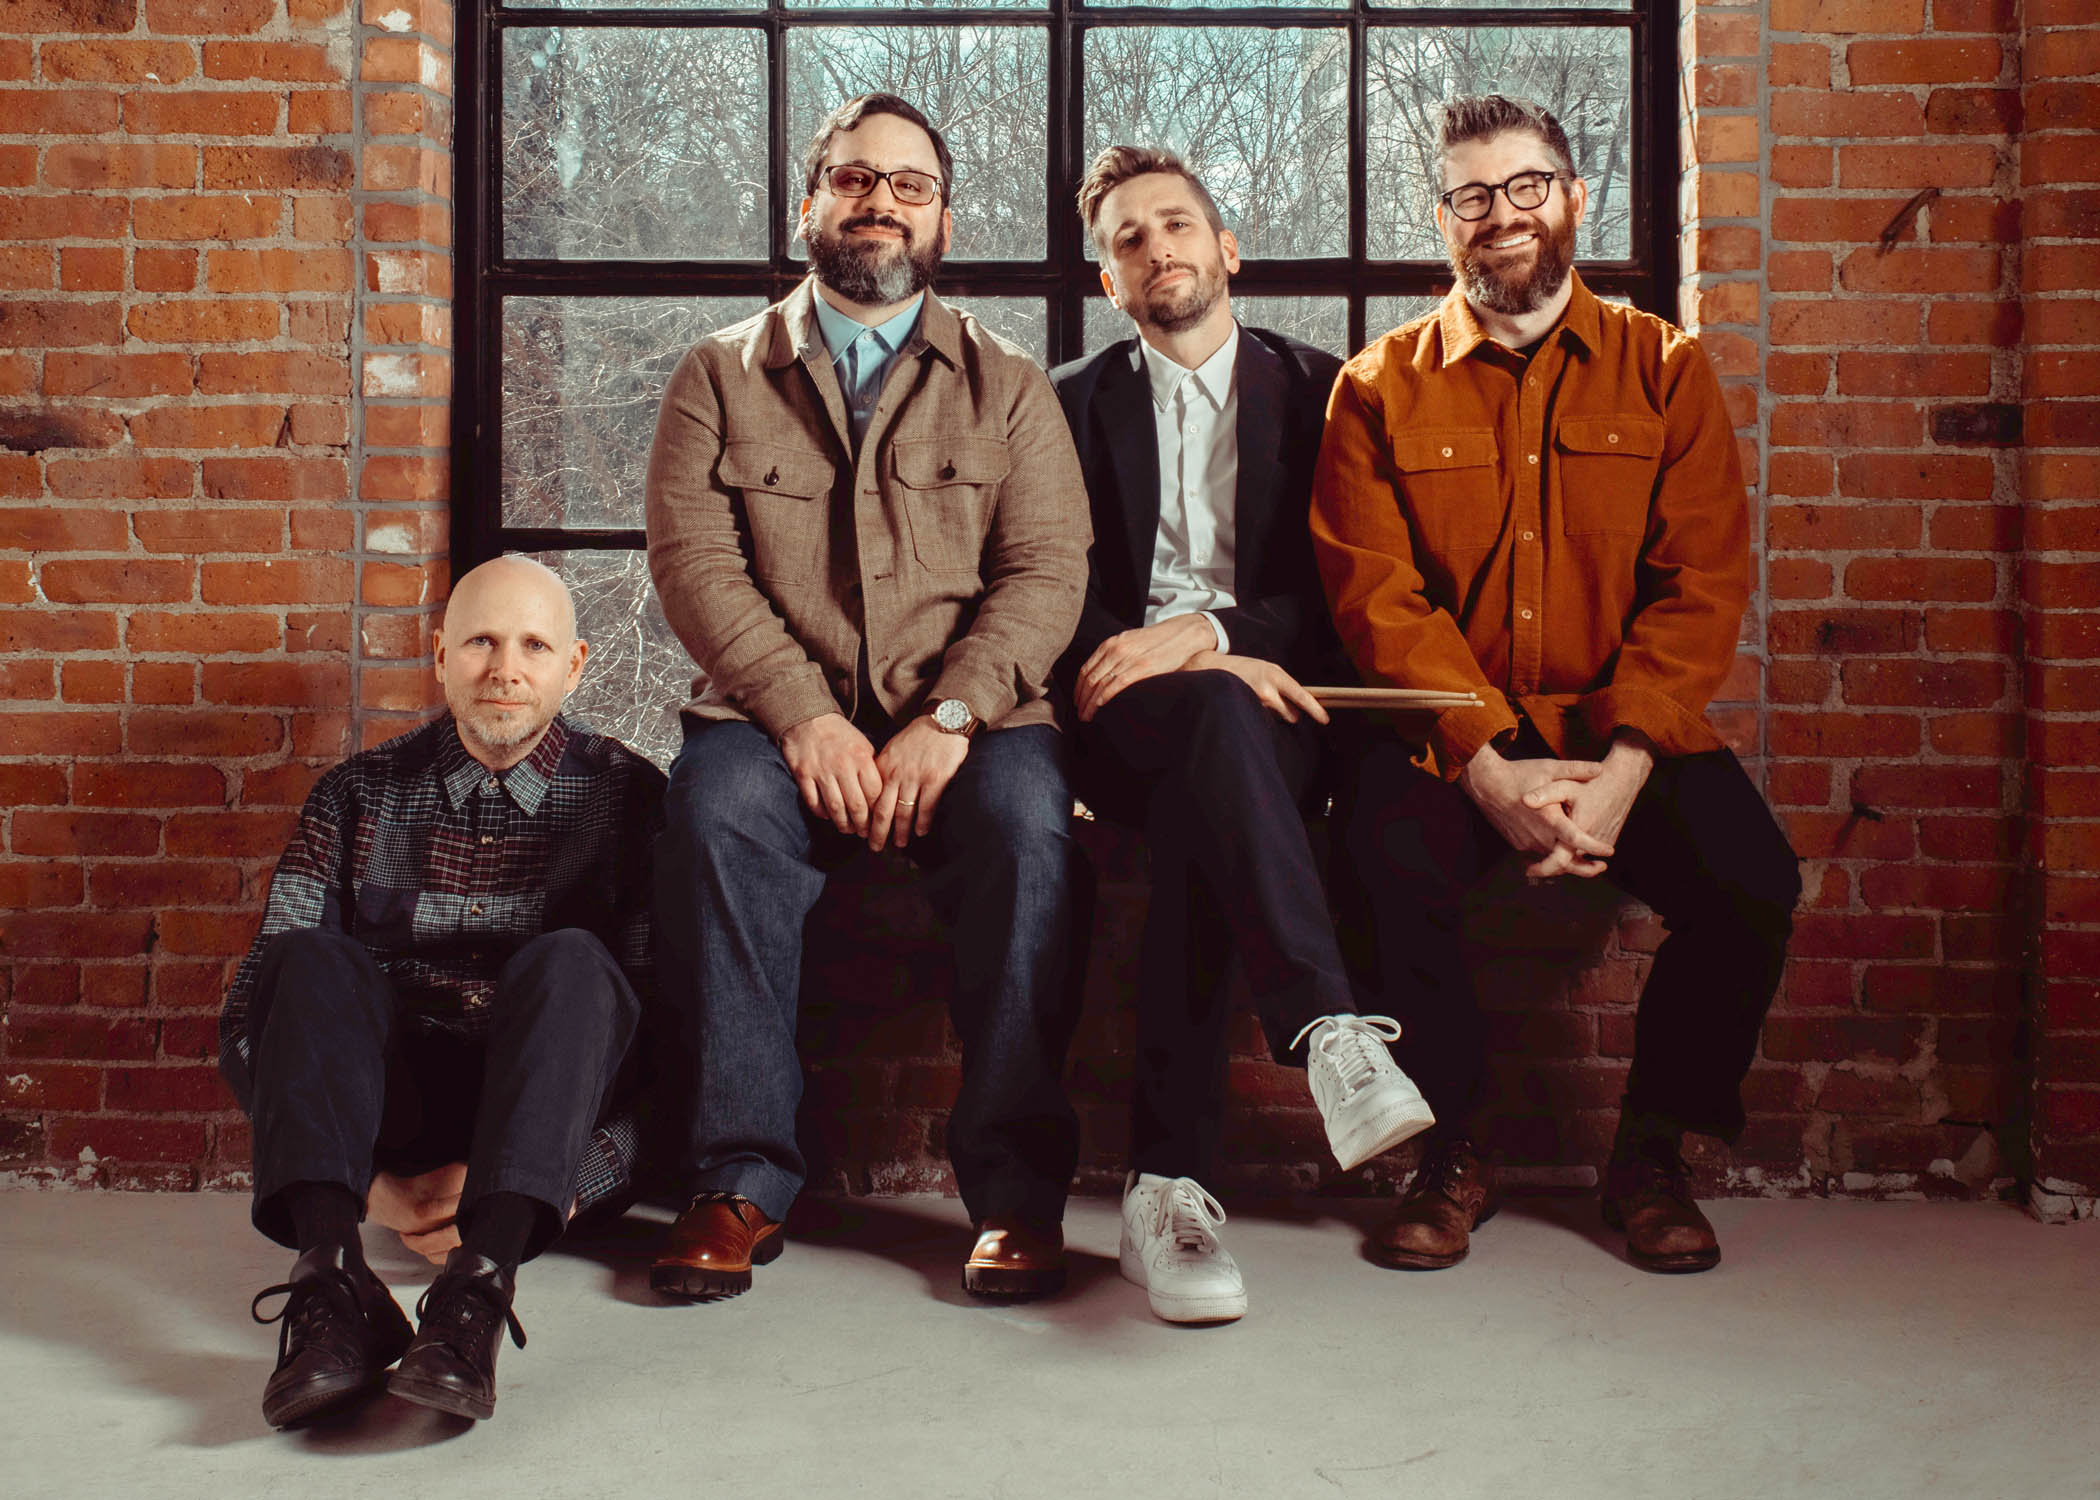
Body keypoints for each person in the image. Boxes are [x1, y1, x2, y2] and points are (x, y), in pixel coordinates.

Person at [1311, 95, 1800, 1275]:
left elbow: (1699, 583)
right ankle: (1455, 1149)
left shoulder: (1665, 369)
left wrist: (1626, 771)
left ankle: (1651, 1155)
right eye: (1473, 196)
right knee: (1372, 862)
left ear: (1572, 199)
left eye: (1526, 187)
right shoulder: (1375, 388)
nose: (1502, 216)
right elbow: (1378, 602)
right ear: (1445, 223)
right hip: (1459, 731)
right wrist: (1486, 768)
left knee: (1752, 884)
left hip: (1621, 718)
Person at [644, 93, 1093, 1303]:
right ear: (808, 203)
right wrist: (805, 715)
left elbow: (1048, 573)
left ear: (943, 218)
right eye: (852, 178)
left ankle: (1011, 1195)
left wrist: (949, 720)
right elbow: (696, 569)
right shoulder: (715, 377)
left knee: (1030, 830)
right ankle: (739, 1179)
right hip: (767, 720)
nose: (877, 200)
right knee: (714, 814)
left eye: (907, 183)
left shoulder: (1008, 385)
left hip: (972, 723)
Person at [1048, 146, 1436, 1324]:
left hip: (1282, 717)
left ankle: (1167, 1193)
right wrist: (1158, 651)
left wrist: (1207, 632)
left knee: (1213, 791)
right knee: (1207, 738)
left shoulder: (1328, 395)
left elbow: (1343, 592)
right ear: (1108, 279)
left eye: (1177, 225)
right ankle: (1327, 1032)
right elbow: (1040, 586)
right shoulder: (1061, 405)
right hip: (1118, 721)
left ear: (1228, 248)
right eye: (1128, 238)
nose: (1156, 247)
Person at [220, 556, 664, 1425]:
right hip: (393, 1113)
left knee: (574, 960)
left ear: (573, 665)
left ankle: (477, 1294)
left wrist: (559, 1182)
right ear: (439, 655)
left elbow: (669, 1047)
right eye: (481, 642)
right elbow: (250, 1025)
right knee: (306, 960)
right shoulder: (357, 794)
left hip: (540, 1110)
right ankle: (331, 1281)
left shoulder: (633, 801)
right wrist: (375, 1191)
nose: (505, 668)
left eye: (534, 645)